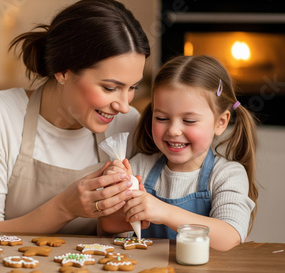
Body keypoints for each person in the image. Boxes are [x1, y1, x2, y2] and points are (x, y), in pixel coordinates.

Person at [0, 0, 150, 235]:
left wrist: (123, 218)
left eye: (132, 87)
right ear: (63, 71)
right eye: (109, 88)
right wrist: (66, 207)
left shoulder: (127, 125)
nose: (124, 106)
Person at [99, 55, 258, 251]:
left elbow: (229, 238)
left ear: (221, 122)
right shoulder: (139, 166)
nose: (173, 130)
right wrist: (117, 196)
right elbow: (106, 229)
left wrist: (164, 212)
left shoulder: (227, 175)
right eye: (162, 118)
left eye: (189, 121)